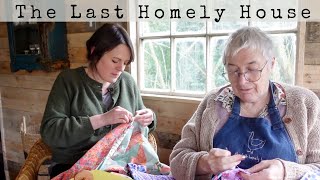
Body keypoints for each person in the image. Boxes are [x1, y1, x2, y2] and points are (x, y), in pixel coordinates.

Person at [169, 27, 320, 180]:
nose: (242, 81)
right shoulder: (213, 103)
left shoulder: (304, 103)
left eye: (252, 69)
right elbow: (177, 161)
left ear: (271, 64)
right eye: (233, 71)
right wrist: (204, 163)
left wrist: (285, 171)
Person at [40, 23, 156, 178]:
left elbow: (140, 129)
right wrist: (102, 119)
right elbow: (50, 131)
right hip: (73, 165)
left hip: (119, 165)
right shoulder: (68, 80)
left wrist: (149, 117)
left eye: (125, 63)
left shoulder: (127, 82)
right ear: (95, 51)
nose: (121, 68)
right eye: (115, 60)